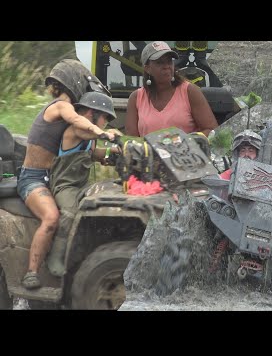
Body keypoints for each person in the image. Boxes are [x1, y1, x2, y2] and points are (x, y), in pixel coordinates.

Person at [17, 59, 116, 289]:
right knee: (51, 218)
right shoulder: (61, 107)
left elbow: (90, 151)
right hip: (32, 178)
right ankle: (31, 272)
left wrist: (115, 153)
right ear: (75, 82)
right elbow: (77, 120)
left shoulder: (73, 120)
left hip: (50, 176)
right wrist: (101, 132)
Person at [46, 92, 119, 277]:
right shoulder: (76, 130)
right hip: (64, 186)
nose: (105, 122)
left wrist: (116, 152)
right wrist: (106, 134)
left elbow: (94, 154)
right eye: (104, 117)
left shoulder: (90, 137)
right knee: (70, 213)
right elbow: (88, 132)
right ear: (90, 113)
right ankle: (56, 257)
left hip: (82, 184)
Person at [125, 41, 218, 138]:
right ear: (147, 68)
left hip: (186, 152)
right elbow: (131, 140)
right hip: (149, 153)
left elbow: (212, 131)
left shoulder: (190, 91)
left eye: (169, 61)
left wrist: (185, 142)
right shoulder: (136, 98)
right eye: (160, 62)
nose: (166, 66)